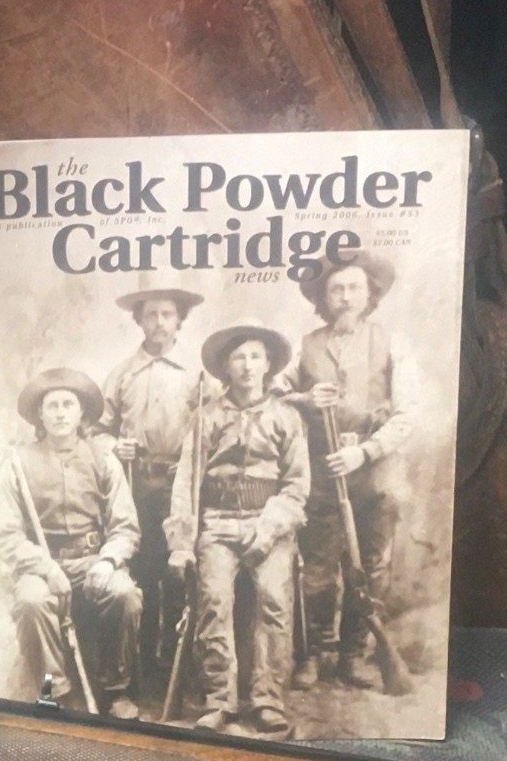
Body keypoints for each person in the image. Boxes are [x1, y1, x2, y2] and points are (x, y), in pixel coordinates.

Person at [167, 327, 308, 735]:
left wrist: (269, 528)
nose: (247, 366)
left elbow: (297, 486)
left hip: (271, 524)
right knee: (214, 599)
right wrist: (181, 543)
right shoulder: (207, 417)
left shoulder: (287, 417)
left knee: (274, 598)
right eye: (238, 358)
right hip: (218, 522)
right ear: (226, 367)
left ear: (268, 365)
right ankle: (218, 698)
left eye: (255, 357)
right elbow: (186, 483)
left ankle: (268, 699)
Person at [288, 250, 412, 694]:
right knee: (317, 568)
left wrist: (365, 451)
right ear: (323, 297)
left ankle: (353, 656)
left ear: (369, 294)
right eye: (336, 289)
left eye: (354, 288)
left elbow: (409, 415)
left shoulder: (391, 343)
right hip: (322, 474)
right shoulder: (305, 346)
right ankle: (314, 655)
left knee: (371, 569)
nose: (344, 297)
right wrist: (305, 400)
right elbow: (273, 396)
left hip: (375, 475)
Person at [0, 367, 143, 715]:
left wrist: (107, 562)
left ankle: (115, 690)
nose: (60, 413)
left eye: (68, 405)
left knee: (125, 594)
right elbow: (7, 533)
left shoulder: (103, 459)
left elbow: (125, 526)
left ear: (81, 413)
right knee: (31, 601)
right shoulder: (18, 463)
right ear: (40, 415)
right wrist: (45, 568)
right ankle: (53, 691)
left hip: (93, 560)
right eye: (52, 406)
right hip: (41, 564)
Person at [100, 287, 202, 698]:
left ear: (179, 320)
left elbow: (216, 423)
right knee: (142, 572)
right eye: (151, 315)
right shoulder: (123, 374)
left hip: (181, 487)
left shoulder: (197, 374)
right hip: (136, 486)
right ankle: (140, 666)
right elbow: (98, 428)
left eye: (168, 314)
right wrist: (114, 446)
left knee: (179, 574)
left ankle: (177, 664)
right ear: (139, 320)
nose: (159, 322)